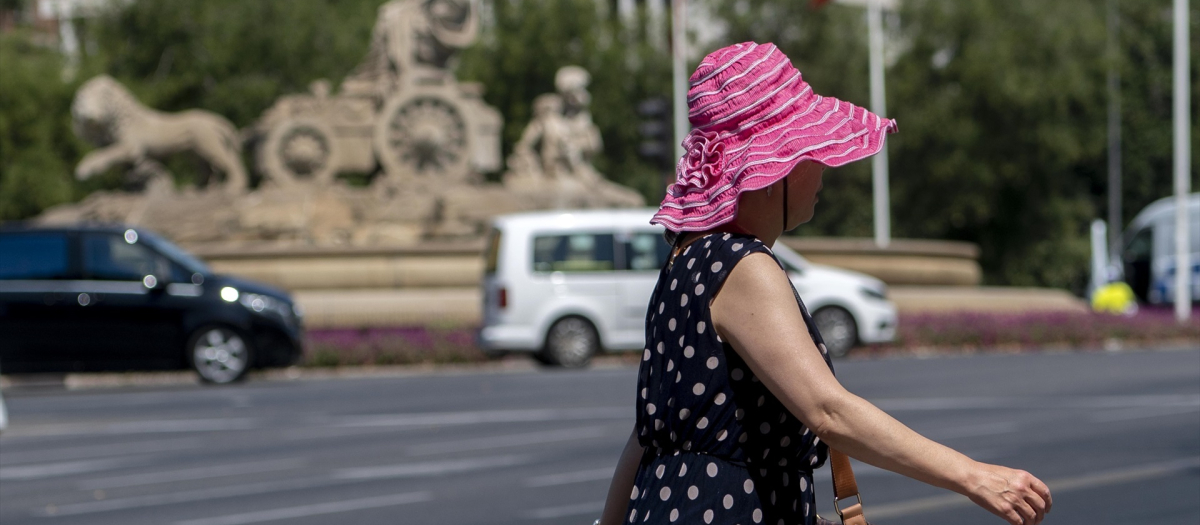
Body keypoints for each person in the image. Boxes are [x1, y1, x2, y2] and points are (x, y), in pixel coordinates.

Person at [597, 42, 1052, 525]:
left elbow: (647, 434)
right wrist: (972, 475)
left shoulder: (684, 260)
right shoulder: (742, 265)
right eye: (809, 151)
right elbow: (828, 411)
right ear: (772, 173)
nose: (824, 167)